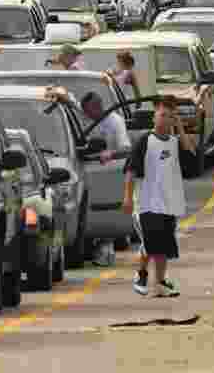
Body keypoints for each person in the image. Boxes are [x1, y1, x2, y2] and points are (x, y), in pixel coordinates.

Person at [123, 96, 197, 297]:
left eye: (170, 116)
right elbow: (130, 170)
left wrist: (180, 126)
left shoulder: (174, 142)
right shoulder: (145, 141)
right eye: (162, 115)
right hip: (147, 203)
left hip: (168, 203)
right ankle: (142, 275)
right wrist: (128, 198)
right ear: (154, 116)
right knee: (152, 242)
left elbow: (190, 156)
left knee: (163, 245)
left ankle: (160, 282)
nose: (165, 120)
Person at [82, 90, 132, 267]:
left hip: (106, 172)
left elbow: (126, 149)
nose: (87, 116)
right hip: (85, 170)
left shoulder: (115, 121)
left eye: (89, 112)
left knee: (105, 219)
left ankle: (105, 248)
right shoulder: (84, 121)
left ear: (98, 107)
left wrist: (111, 153)